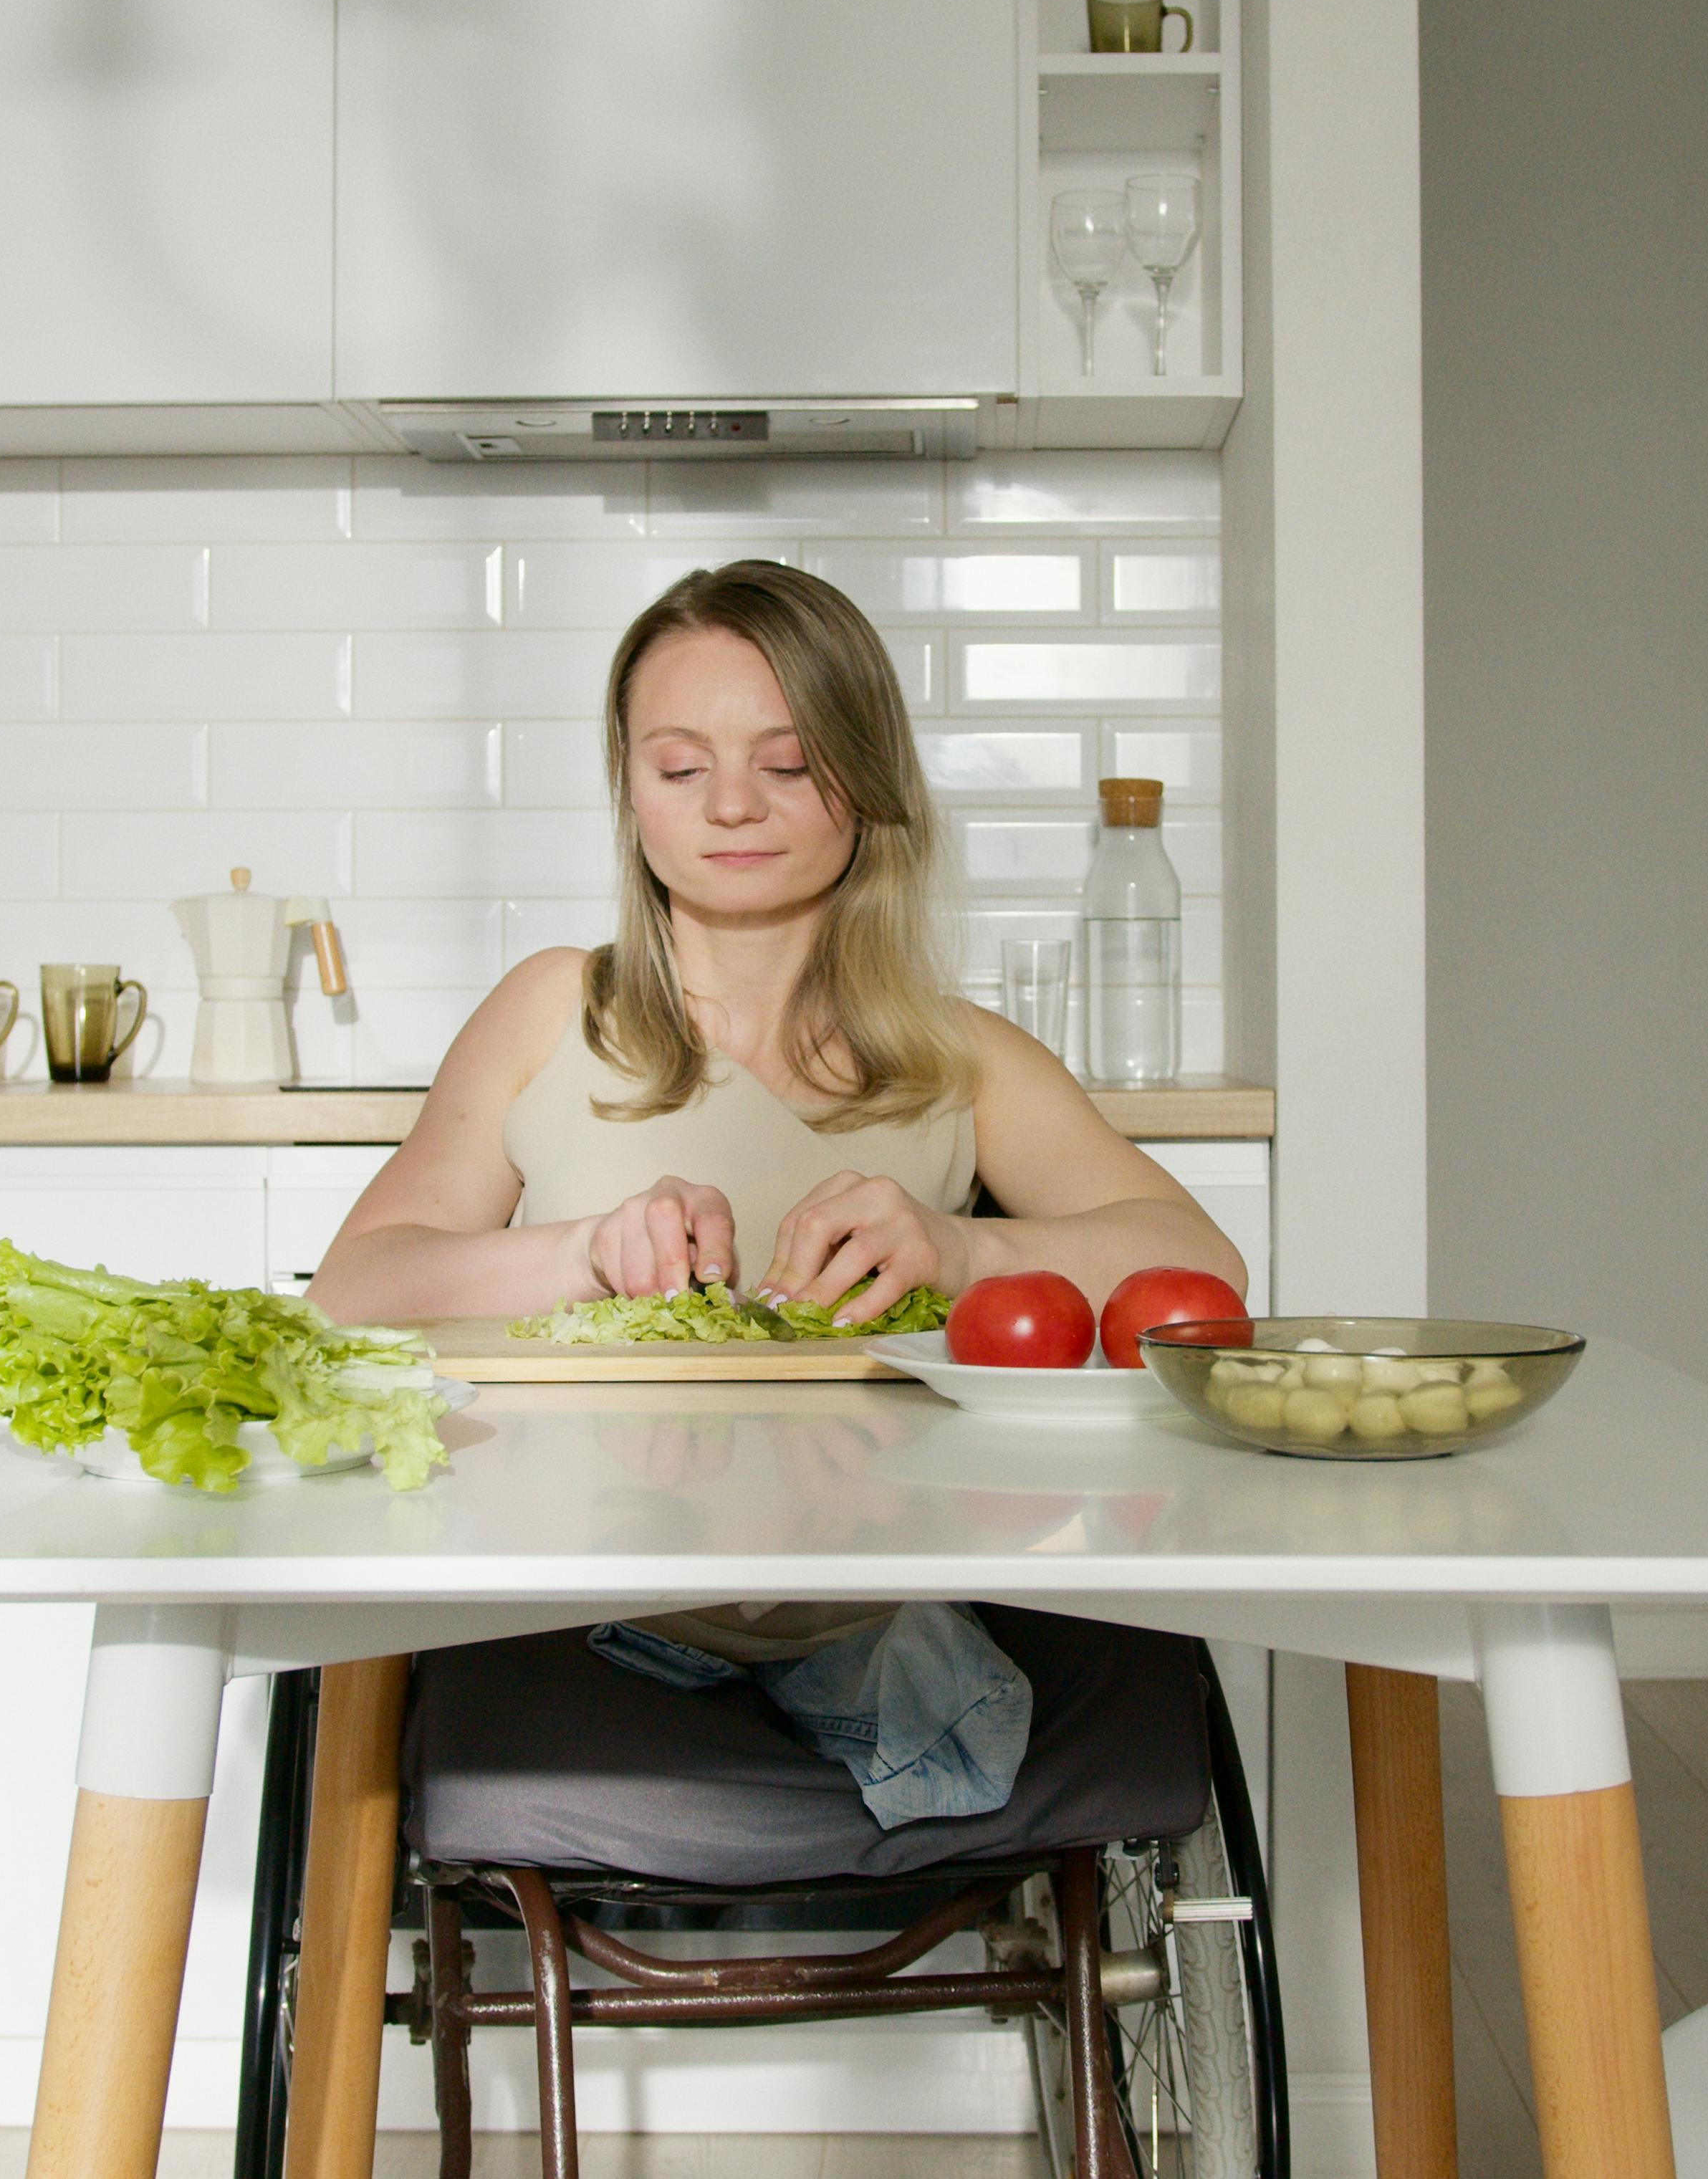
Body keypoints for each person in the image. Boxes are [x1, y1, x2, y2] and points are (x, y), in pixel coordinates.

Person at [309, 558, 1242, 1821]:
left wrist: (959, 1251)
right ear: (631, 793)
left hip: (876, 1595)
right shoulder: (552, 1007)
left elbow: (1200, 1263)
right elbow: (353, 1287)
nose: (734, 805)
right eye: (680, 767)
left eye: (790, 763)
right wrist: (581, 1252)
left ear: (869, 780)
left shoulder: (956, 1054)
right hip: (577, 1603)